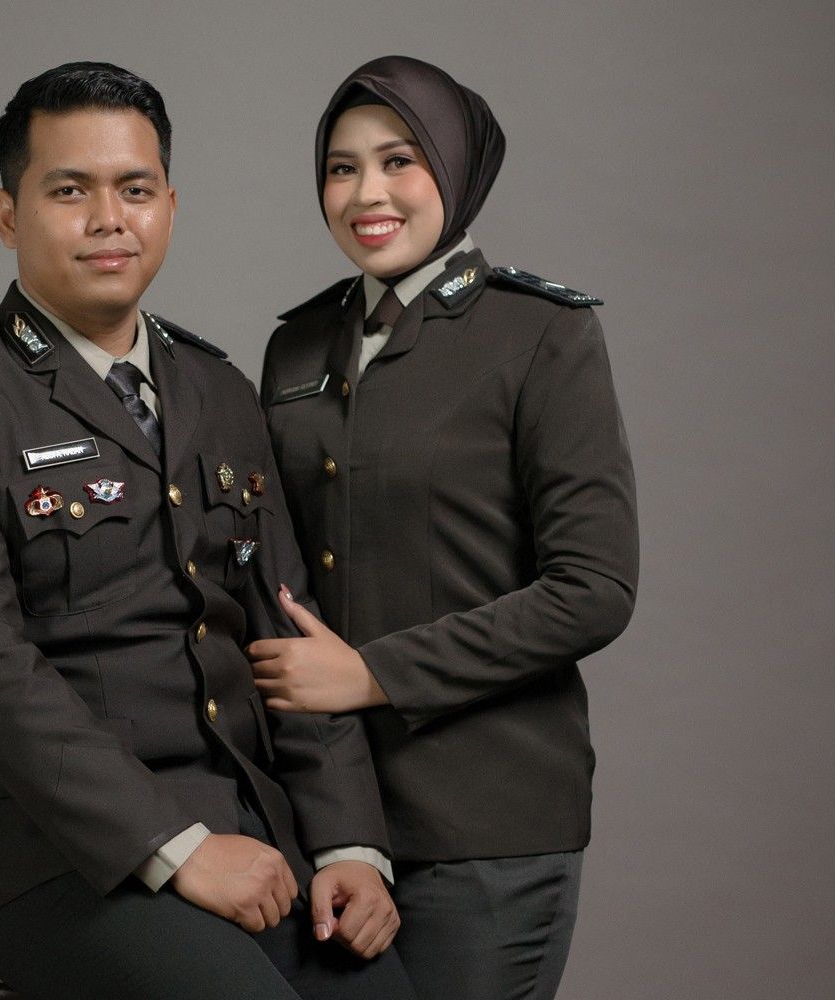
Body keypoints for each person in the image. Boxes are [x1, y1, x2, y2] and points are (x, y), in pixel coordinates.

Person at [0, 62, 414, 1000]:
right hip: (48, 848)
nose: (108, 219)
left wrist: (350, 845)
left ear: (169, 207)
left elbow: (288, 630)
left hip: (249, 823)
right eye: (69, 191)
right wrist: (176, 847)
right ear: (7, 215)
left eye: (135, 189)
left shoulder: (218, 389)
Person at [252, 55, 639, 1000]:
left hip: (486, 821)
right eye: (341, 168)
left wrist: (374, 674)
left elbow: (594, 589)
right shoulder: (296, 346)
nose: (367, 195)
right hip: (328, 823)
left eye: (400, 161)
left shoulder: (540, 334)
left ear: (457, 169)